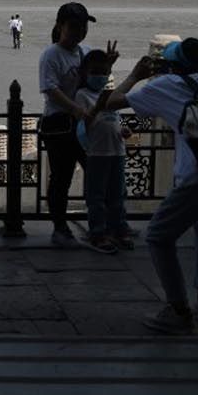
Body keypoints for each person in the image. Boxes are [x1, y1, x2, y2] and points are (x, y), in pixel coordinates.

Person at [97, 38, 198, 334]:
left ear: (172, 66)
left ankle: (178, 310)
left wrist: (135, 75)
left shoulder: (167, 85)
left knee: (159, 236)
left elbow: (110, 102)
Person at [38, 3, 103, 247]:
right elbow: (50, 89)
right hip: (59, 125)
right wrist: (76, 109)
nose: (80, 32)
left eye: (83, 27)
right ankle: (60, 227)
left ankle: (101, 222)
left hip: (83, 124)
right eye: (74, 27)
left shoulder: (85, 52)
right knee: (61, 177)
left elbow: (93, 83)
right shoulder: (51, 55)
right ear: (60, 27)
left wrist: (107, 66)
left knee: (96, 172)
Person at [75, 50, 129, 254]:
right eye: (95, 72)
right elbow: (84, 122)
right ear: (85, 73)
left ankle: (119, 229)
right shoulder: (82, 95)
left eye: (104, 73)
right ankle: (98, 233)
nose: (100, 77)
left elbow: (115, 119)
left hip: (117, 151)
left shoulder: (110, 95)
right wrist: (97, 107)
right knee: (96, 196)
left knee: (118, 194)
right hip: (97, 153)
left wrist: (124, 130)